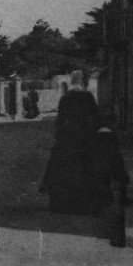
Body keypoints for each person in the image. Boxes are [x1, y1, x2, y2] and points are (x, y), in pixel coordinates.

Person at [41, 69, 101, 214]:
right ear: (83, 82)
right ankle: (85, 203)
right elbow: (95, 118)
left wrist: (60, 137)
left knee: (60, 168)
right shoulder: (88, 97)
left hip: (68, 138)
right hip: (85, 138)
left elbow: (60, 120)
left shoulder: (65, 98)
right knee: (87, 168)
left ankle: (60, 202)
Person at [93, 111, 131, 247]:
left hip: (99, 165)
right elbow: (117, 154)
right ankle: (123, 198)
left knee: (101, 179)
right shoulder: (112, 135)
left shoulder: (96, 134)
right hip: (111, 162)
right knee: (123, 178)